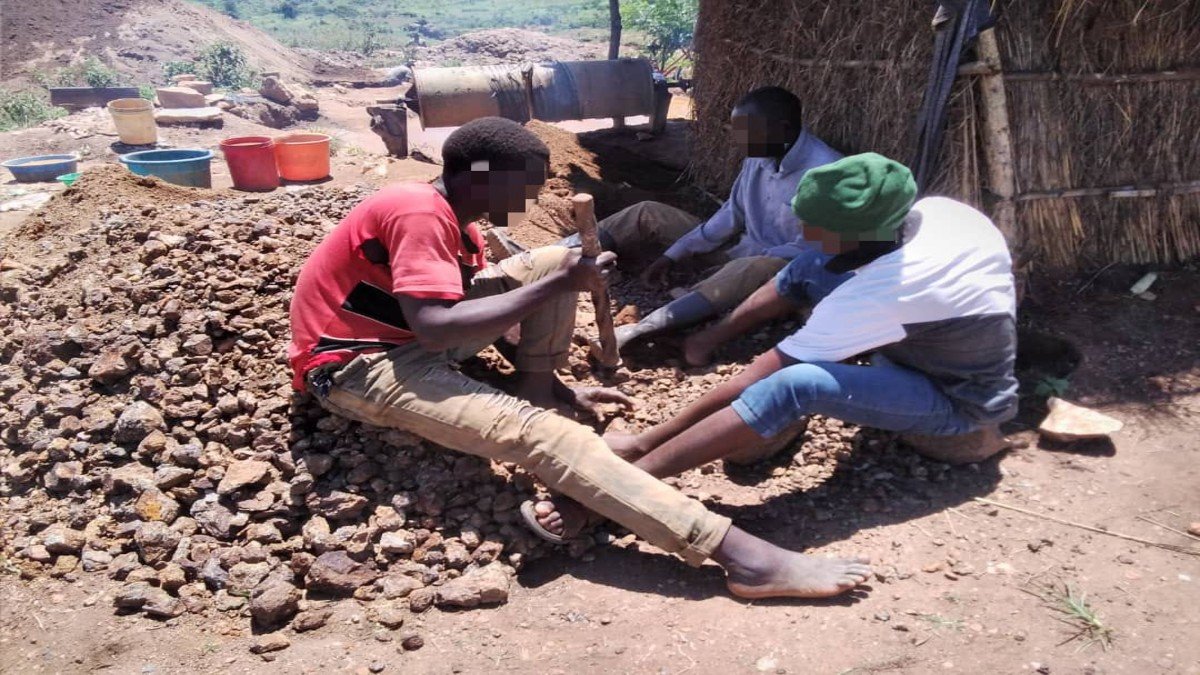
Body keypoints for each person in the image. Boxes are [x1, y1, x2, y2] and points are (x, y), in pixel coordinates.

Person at [288, 117, 872, 600]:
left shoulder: (454, 219)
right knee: (549, 429)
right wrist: (557, 287)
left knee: (544, 267)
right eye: (527, 185)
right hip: (358, 367)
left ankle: (543, 400)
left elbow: (462, 309)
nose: (532, 199)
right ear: (483, 176)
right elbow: (436, 328)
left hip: (400, 339)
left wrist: (567, 389)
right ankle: (744, 559)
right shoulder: (416, 212)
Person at [535, 153, 1017, 532]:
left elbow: (763, 371)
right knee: (807, 267)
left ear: (852, 237)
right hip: (930, 339)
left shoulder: (885, 291)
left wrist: (646, 439)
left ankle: (623, 490)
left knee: (795, 384)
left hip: (956, 399)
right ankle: (706, 339)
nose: (802, 231)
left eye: (815, 227)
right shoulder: (934, 215)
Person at [511, 86, 842, 360]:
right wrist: (675, 254)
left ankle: (642, 329)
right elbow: (730, 215)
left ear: (783, 130)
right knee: (647, 212)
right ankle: (540, 260)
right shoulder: (760, 154)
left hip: (772, 267)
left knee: (755, 265)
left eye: (746, 132)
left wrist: (731, 264)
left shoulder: (826, 172)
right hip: (737, 248)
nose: (739, 141)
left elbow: (808, 249)